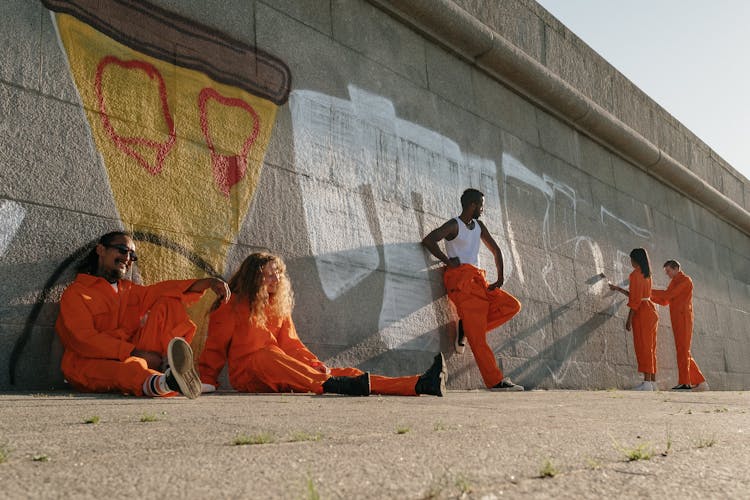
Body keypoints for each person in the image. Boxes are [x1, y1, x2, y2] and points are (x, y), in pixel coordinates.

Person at [199, 252, 446, 397]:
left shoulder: (277, 307)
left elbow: (292, 344)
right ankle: (328, 384)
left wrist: (315, 364)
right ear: (255, 276)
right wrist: (206, 379)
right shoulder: (231, 305)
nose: (277, 278)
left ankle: (418, 384)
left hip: (286, 370)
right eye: (271, 273)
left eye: (279, 273)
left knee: (342, 373)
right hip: (250, 374)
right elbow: (214, 348)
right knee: (266, 355)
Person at [55, 231, 230, 399]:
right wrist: (134, 352)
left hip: (136, 355)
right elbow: (82, 339)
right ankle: (168, 383)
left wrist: (207, 283)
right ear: (101, 250)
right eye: (123, 250)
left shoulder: (129, 290)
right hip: (89, 363)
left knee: (168, 301)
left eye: (132, 255)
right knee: (129, 368)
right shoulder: (77, 293)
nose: (128, 258)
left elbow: (165, 289)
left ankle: (171, 370)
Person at [421, 188, 523, 391]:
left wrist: (500, 277)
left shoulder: (479, 225)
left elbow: (496, 250)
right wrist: (448, 261)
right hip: (461, 283)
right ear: (473, 205)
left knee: (511, 305)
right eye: (482, 205)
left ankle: (466, 328)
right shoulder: (454, 225)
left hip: (479, 281)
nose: (483, 209)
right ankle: (495, 381)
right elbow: (429, 240)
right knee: (478, 339)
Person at [651, 260, 708, 391]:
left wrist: (648, 291)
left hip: (684, 319)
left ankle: (685, 383)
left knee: (683, 351)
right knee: (683, 351)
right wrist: (649, 295)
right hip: (677, 319)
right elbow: (665, 300)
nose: (667, 274)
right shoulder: (675, 282)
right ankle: (700, 381)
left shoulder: (686, 280)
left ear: (676, 268)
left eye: (668, 271)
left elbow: (668, 295)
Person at [608, 248, 659, 391]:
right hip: (651, 311)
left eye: (631, 259)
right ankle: (653, 382)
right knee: (651, 347)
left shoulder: (635, 274)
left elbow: (635, 301)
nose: (630, 261)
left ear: (635, 260)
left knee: (643, 347)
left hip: (642, 313)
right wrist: (618, 289)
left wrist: (629, 319)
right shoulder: (647, 275)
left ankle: (647, 382)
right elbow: (637, 295)